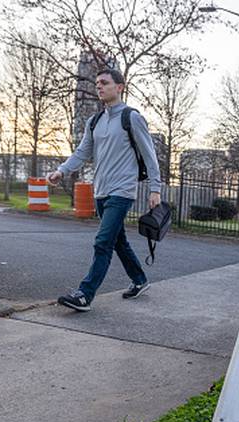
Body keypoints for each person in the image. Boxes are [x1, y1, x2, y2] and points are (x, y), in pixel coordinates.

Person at [46, 68, 161, 312]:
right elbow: (82, 153)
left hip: (122, 190)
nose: (99, 86)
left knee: (103, 242)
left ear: (119, 87)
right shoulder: (94, 121)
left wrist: (155, 188)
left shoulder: (132, 118)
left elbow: (150, 155)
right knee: (117, 241)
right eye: (97, 83)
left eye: (105, 83)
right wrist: (62, 171)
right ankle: (140, 280)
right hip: (102, 191)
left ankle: (85, 295)